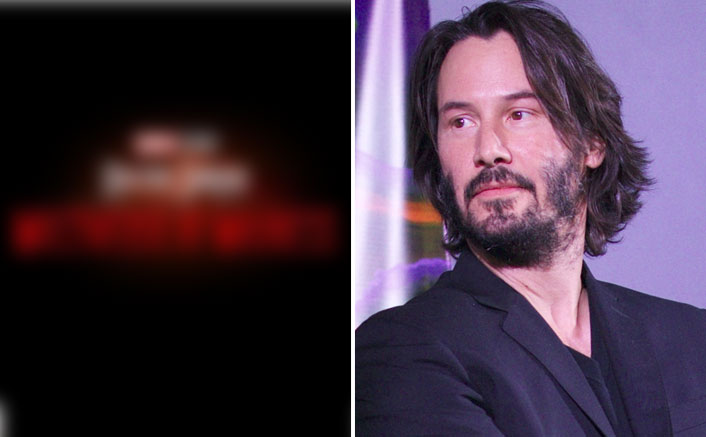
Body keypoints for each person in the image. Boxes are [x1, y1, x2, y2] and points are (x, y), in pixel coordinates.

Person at [355, 1, 706, 435]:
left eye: (519, 114)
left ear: (592, 143)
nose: (489, 149)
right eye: (461, 122)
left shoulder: (691, 337)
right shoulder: (400, 351)